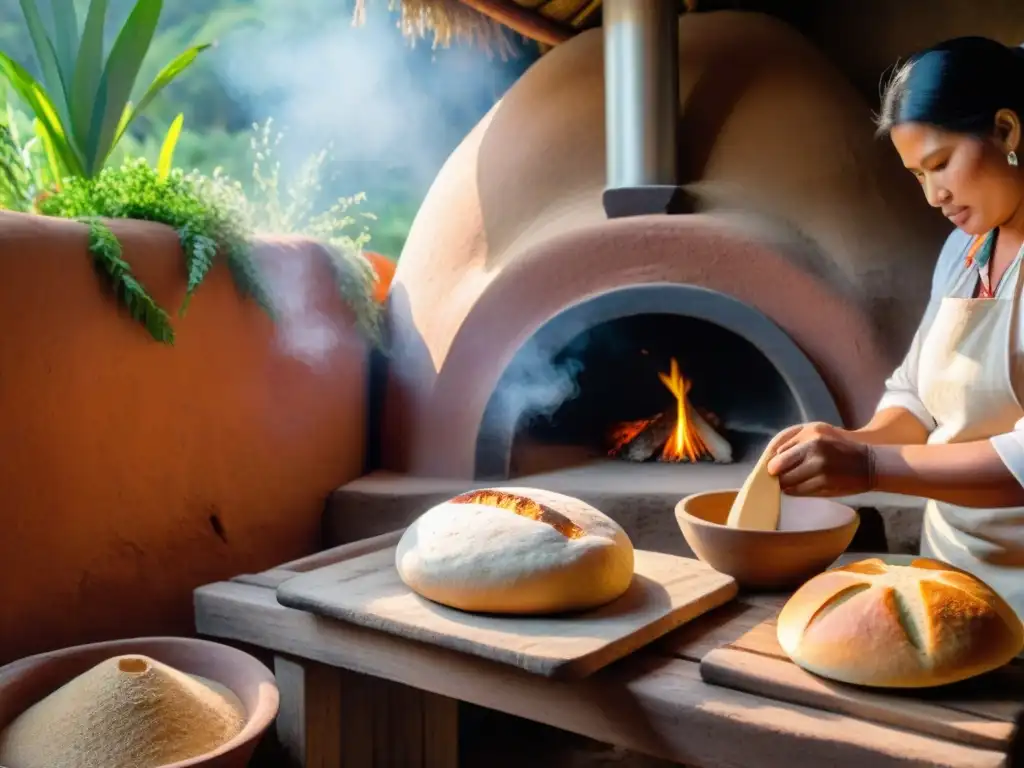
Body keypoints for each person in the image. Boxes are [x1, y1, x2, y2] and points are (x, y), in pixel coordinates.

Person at [766, 36, 1024, 618]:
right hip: (953, 578)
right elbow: (915, 395)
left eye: (940, 164)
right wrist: (849, 443)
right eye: (916, 174)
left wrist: (870, 468)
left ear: (1006, 131)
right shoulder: (965, 251)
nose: (935, 195)